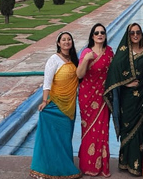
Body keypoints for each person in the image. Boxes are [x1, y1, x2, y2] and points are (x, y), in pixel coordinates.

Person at [104, 23, 143, 176]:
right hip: (128, 100)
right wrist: (127, 82)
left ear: (141, 33)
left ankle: (140, 163)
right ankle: (126, 162)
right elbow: (113, 73)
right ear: (128, 34)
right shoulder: (123, 53)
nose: (135, 35)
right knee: (128, 129)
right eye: (132, 33)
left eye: (138, 32)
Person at [30, 31, 82, 179]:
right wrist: (45, 101)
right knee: (53, 139)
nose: (66, 42)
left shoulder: (74, 60)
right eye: (63, 40)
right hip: (55, 106)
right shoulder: (53, 59)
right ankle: (46, 169)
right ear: (58, 43)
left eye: (69, 39)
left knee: (65, 139)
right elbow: (47, 82)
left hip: (69, 107)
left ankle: (63, 166)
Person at [77, 24, 114, 177]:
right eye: (97, 33)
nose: (100, 35)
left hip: (104, 97)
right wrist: (86, 59)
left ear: (105, 35)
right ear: (92, 36)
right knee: (89, 131)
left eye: (102, 32)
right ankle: (87, 165)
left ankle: (102, 166)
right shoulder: (87, 52)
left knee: (102, 130)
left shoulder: (110, 52)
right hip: (87, 97)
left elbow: (116, 72)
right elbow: (79, 75)